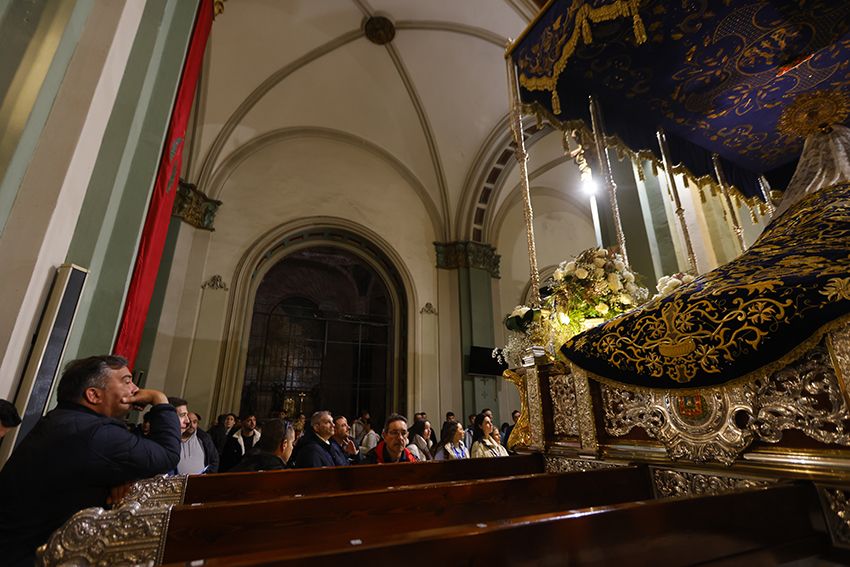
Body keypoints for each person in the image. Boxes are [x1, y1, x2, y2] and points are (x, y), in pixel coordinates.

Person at [0, 355, 180, 566]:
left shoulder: (67, 420)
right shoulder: (94, 433)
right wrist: (160, 400)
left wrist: (119, 476)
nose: (136, 389)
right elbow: (167, 454)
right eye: (127, 381)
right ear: (93, 395)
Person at [171, 401, 219, 475]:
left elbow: (214, 460)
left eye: (195, 422)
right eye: (189, 421)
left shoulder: (204, 439)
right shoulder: (172, 439)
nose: (191, 425)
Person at [230, 419, 295, 472]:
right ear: (284, 444)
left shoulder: (244, 463)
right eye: (292, 443)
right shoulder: (283, 477)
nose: (292, 447)